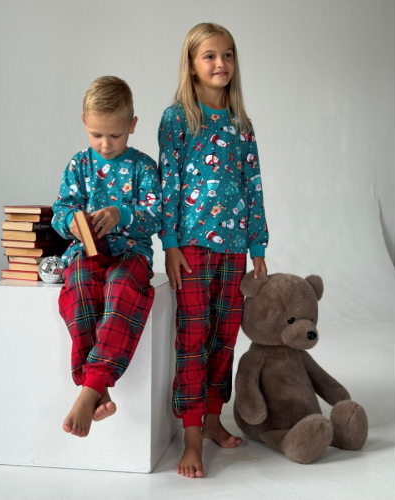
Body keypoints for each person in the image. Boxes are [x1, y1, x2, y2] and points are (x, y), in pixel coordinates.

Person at [157, 23, 269, 477]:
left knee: (225, 335)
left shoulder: (242, 125)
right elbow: (168, 184)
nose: (220, 63)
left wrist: (258, 244)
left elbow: (253, 186)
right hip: (191, 246)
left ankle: (212, 418)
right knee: (193, 336)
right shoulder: (177, 119)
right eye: (209, 55)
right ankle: (190, 436)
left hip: (235, 247)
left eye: (228, 55)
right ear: (191, 64)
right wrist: (169, 244)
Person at [52, 76, 162, 438]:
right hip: (85, 250)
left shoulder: (143, 167)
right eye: (96, 134)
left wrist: (121, 214)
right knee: (79, 289)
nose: (105, 143)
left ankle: (89, 390)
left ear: (132, 125)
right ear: (84, 122)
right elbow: (60, 210)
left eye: (115, 135)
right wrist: (71, 222)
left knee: (121, 288)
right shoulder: (79, 164)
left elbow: (156, 217)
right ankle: (99, 387)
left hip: (131, 253)